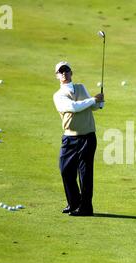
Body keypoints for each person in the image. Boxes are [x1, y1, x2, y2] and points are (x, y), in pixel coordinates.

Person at [53, 61, 104, 216]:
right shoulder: (58, 95)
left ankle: (86, 208)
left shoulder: (81, 88)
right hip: (70, 138)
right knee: (65, 170)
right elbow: (74, 107)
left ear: (71, 73)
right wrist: (93, 100)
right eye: (60, 71)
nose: (64, 73)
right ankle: (74, 202)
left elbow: (94, 107)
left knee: (85, 173)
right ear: (57, 76)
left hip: (88, 137)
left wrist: (100, 101)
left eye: (66, 70)